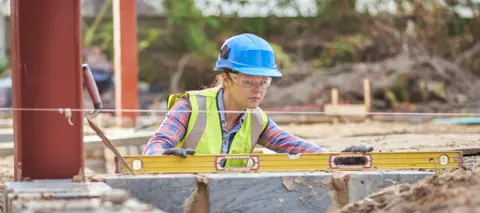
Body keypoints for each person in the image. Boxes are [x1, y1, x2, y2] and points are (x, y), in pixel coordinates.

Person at [143, 33, 372, 166]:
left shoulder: (256, 120)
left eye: (264, 82)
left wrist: (338, 158)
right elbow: (155, 146)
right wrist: (162, 156)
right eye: (249, 81)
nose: (258, 90)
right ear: (226, 79)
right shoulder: (191, 106)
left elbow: (292, 146)